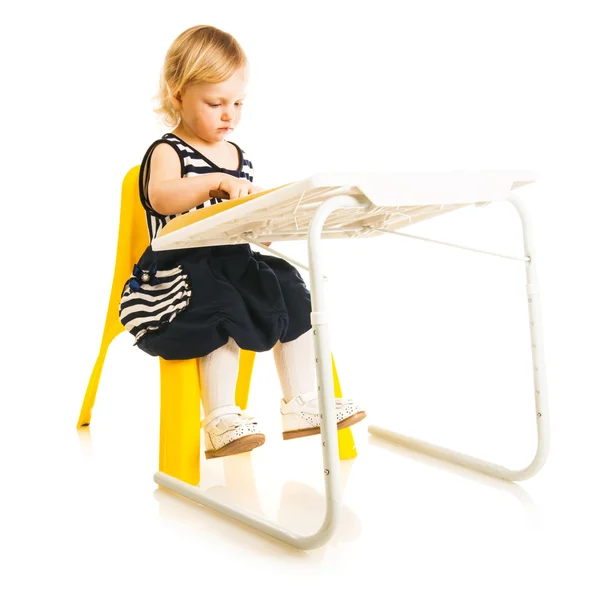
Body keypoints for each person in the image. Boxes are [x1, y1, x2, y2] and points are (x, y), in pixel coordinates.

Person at [119, 25, 366, 459]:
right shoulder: (168, 150)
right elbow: (159, 196)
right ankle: (220, 418)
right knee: (222, 299)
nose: (228, 114)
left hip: (230, 258)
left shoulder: (238, 155)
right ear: (178, 94)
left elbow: (237, 215)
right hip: (177, 271)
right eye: (215, 103)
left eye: (236, 102)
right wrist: (212, 182)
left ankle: (301, 403)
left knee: (289, 284)